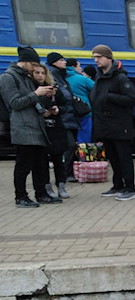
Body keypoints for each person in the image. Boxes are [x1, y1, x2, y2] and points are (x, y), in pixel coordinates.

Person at [0, 46, 56, 207]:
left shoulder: (26, 77)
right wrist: (36, 93)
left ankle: (41, 194)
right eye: (33, 65)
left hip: (37, 127)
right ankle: (21, 196)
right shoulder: (7, 78)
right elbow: (14, 103)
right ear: (24, 62)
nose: (35, 69)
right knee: (23, 165)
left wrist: (47, 98)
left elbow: (34, 102)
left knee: (40, 165)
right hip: (22, 128)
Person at [90, 44, 135, 201]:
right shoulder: (99, 77)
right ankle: (117, 185)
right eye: (94, 57)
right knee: (113, 157)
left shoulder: (120, 78)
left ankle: (130, 188)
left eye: (99, 57)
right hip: (105, 125)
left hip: (119, 125)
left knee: (124, 157)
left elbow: (132, 99)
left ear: (109, 58)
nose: (96, 60)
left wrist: (110, 97)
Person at [31, 63, 68, 202]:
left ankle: (61, 185)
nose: (40, 76)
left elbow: (66, 105)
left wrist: (58, 109)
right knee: (42, 161)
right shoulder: (32, 89)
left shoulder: (54, 88)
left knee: (59, 159)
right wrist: (43, 113)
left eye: (42, 73)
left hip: (56, 129)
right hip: (41, 129)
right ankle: (47, 187)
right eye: (37, 73)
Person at [46, 53, 78, 196]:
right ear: (53, 63)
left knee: (64, 149)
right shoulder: (52, 77)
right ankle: (52, 184)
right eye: (61, 60)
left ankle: (61, 183)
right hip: (58, 121)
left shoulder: (62, 77)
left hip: (66, 118)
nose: (64, 62)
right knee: (63, 149)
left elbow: (66, 100)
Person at [64, 58, 95, 148]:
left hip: (67, 112)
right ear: (74, 67)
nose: (81, 69)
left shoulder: (60, 78)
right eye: (79, 66)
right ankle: (82, 157)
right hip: (84, 111)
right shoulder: (83, 79)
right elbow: (97, 90)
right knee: (84, 138)